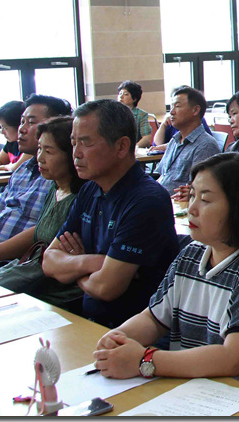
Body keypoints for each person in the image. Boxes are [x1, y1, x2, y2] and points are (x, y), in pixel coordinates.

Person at [91, 153, 239, 407]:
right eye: (192, 196)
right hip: (203, 393)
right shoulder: (192, 253)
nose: (192, 209)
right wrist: (119, 337)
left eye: (205, 199)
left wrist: (146, 360)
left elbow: (233, 358)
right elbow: (153, 319)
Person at [42, 99, 179, 328]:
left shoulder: (146, 200)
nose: (76, 154)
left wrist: (74, 267)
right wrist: (95, 262)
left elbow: (106, 288)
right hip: (90, 321)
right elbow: (49, 261)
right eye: (73, 143)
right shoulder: (90, 189)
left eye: (85, 143)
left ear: (122, 146)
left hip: (133, 331)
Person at [0, 116, 85, 306]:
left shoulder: (81, 198)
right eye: (39, 149)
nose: (40, 158)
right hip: (30, 272)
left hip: (51, 290)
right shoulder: (55, 188)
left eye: (48, 151)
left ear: (71, 155)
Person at [0, 95, 72, 255]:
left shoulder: (61, 177)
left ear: (56, 127)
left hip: (15, 262)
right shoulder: (22, 170)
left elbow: (41, 232)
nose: (21, 129)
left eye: (31, 122)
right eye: (22, 121)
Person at [156, 86, 222, 197]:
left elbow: (200, 189)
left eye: (177, 106)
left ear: (195, 110)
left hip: (177, 204)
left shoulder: (205, 145)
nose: (171, 112)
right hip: (159, 197)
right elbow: (162, 175)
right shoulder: (174, 141)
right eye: (171, 107)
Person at [0, 100, 32, 172]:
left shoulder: (31, 145)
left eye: (5, 128)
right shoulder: (11, 143)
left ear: (20, 126)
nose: (2, 132)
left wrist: (3, 167)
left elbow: (17, 167)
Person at [117, 80, 153, 148]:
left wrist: (134, 148)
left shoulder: (141, 115)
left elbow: (147, 138)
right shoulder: (112, 113)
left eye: (126, 94)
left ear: (134, 99)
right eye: (120, 93)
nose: (121, 96)